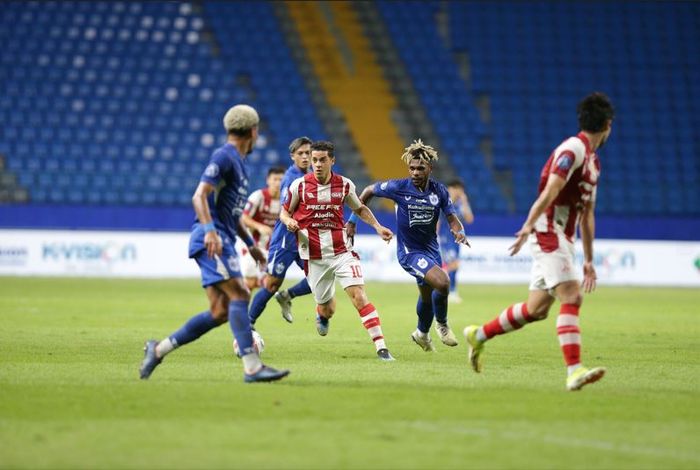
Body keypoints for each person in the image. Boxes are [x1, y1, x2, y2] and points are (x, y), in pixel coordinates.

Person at [463, 92, 614, 391]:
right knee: (572, 296)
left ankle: (478, 335)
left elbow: (588, 215)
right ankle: (574, 371)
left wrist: (588, 260)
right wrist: (530, 225)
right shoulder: (573, 149)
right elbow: (549, 191)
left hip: (563, 237)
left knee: (537, 309)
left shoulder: (593, 163)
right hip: (547, 230)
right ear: (608, 125)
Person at [139, 104, 290, 383]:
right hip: (213, 240)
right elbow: (199, 196)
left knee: (220, 311)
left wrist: (251, 244)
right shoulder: (224, 156)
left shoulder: (237, 162)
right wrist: (210, 231)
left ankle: (157, 350)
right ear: (254, 132)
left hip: (224, 237)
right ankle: (252, 367)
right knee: (241, 294)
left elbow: (232, 214)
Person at [347, 140, 469, 352]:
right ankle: (442, 324)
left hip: (431, 250)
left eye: (420, 168)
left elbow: (451, 217)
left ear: (430, 168)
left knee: (426, 296)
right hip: (410, 252)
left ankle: (421, 333)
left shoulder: (439, 191)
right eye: (411, 168)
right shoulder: (398, 187)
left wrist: (459, 230)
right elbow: (368, 191)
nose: (415, 172)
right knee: (442, 282)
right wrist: (352, 221)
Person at [279, 140, 395, 361]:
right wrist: (288, 222)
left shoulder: (344, 185)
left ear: (332, 160)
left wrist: (378, 227)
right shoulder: (299, 186)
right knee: (326, 308)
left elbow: (359, 207)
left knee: (358, 296)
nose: (318, 164)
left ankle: (381, 348)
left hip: (342, 251)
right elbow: (284, 212)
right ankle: (322, 315)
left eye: (322, 160)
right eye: (314, 160)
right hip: (314, 256)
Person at [248, 137, 314, 326]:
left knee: (319, 279)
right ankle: (248, 323)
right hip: (285, 239)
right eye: (300, 153)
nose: (305, 157)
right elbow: (287, 210)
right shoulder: (291, 179)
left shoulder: (312, 175)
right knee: (271, 284)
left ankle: (287, 295)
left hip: (304, 239)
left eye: (308, 153)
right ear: (292, 156)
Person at [238, 166, 285, 291]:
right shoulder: (258, 196)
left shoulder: (285, 201)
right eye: (275, 179)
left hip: (270, 249)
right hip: (251, 246)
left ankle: (240, 304)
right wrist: (259, 226)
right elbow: (243, 218)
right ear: (268, 180)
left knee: (266, 283)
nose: (278, 183)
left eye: (281, 179)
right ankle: (238, 306)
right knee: (250, 282)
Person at [437, 179, 474, 304]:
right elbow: (437, 219)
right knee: (453, 264)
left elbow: (469, 219)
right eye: (457, 189)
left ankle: (449, 290)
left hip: (457, 239)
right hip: (446, 237)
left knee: (454, 265)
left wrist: (464, 202)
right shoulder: (444, 201)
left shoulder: (460, 204)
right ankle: (448, 291)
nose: (460, 192)